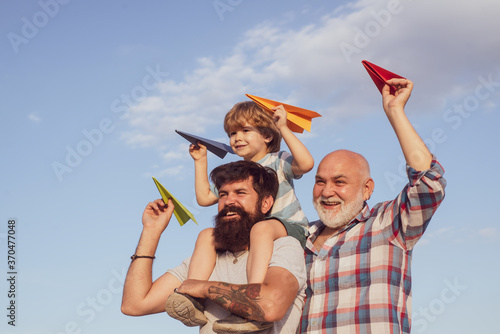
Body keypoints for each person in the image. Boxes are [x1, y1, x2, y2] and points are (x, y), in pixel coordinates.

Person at [300, 78, 446, 333]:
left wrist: (395, 111)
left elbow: (429, 182)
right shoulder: (300, 237)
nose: (326, 191)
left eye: (339, 181)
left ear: (367, 189)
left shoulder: (388, 224)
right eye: (319, 181)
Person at [121, 160, 306, 334]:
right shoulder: (206, 259)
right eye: (223, 194)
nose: (229, 201)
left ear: (265, 203)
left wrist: (202, 288)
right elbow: (134, 304)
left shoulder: (284, 248)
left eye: (240, 193)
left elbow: (270, 306)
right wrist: (151, 231)